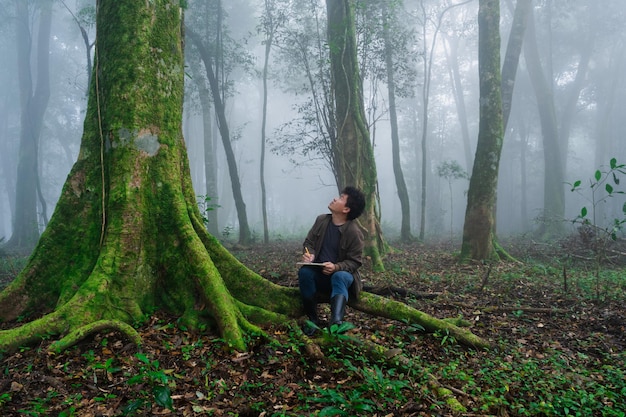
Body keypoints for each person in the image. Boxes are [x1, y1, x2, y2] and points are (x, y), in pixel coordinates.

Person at [298, 186, 366, 335]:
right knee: (304, 272)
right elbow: (308, 243)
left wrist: (336, 267)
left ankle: (336, 323)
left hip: (342, 277)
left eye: (341, 198)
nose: (336, 198)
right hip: (319, 274)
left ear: (346, 209)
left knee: (339, 276)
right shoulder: (321, 220)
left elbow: (355, 262)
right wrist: (310, 255)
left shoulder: (354, 232)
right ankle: (312, 320)